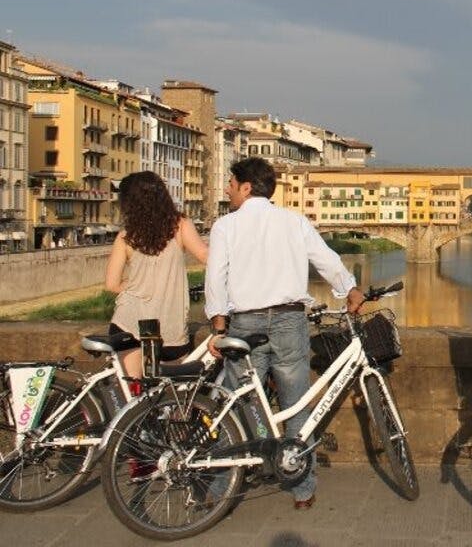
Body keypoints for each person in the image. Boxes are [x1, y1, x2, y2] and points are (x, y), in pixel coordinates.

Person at [204, 157, 364, 510]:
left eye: (231, 183)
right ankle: (302, 488)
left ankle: (220, 486)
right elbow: (325, 259)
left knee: (235, 403)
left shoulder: (226, 226)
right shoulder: (294, 222)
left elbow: (215, 278)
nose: (228, 189)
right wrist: (350, 289)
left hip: (245, 324)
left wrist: (218, 325)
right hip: (291, 321)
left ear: (246, 187)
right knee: (296, 404)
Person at [105, 171, 208, 379]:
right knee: (172, 397)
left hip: (129, 322)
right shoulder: (180, 226)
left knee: (135, 395)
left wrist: (138, 287)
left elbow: (112, 284)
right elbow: (207, 257)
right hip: (169, 327)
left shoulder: (125, 236)